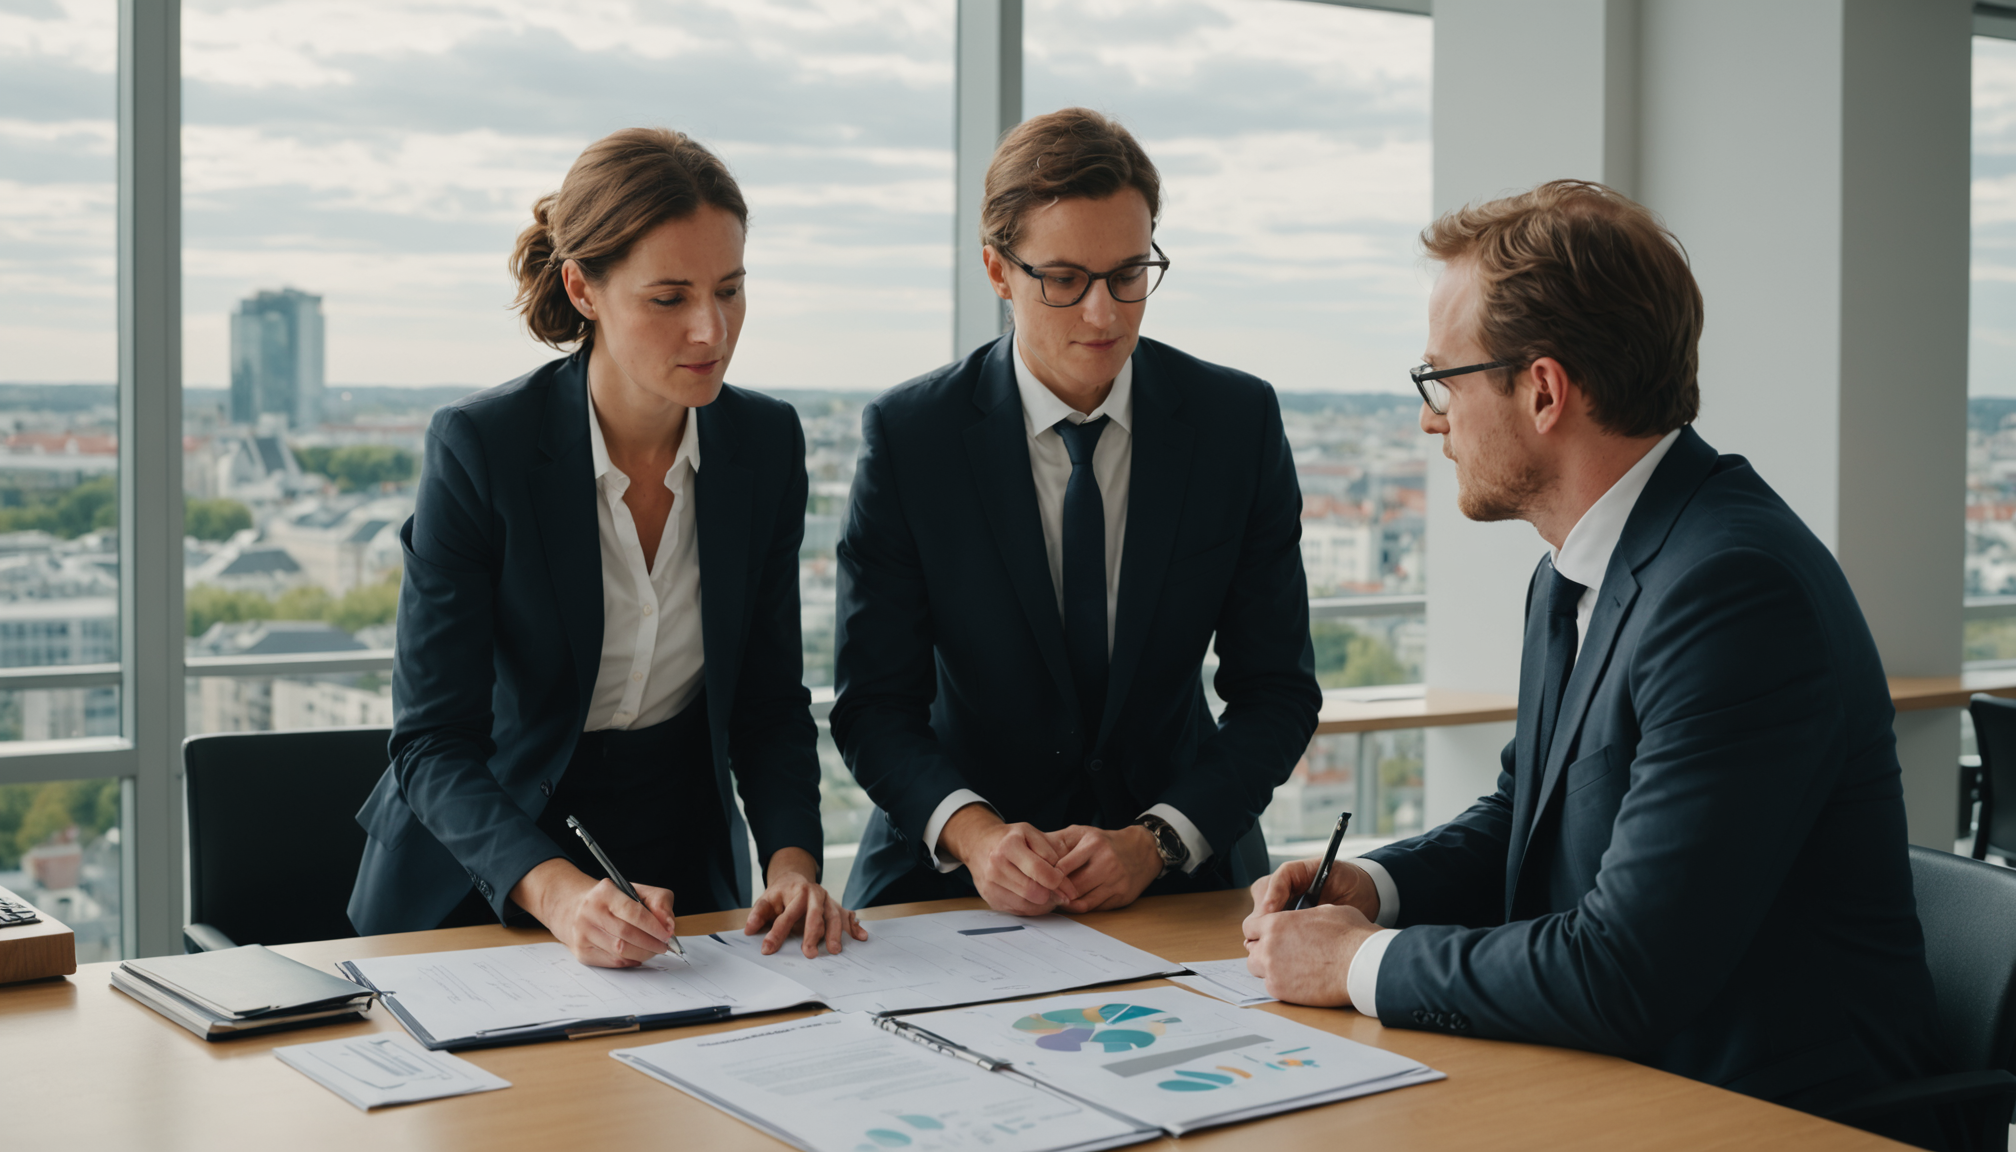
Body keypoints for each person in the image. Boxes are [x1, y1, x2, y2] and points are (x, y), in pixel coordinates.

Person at [1242, 180, 1947, 1138]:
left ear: (1543, 390)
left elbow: (1626, 969)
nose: (1431, 419)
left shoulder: (1733, 591)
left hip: (1774, 1115)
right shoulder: (1578, 568)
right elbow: (1524, 815)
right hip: (1633, 1084)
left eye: (1442, 380)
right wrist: (1375, 888)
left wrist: (1354, 962)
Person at [347, 128, 866, 965]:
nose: (711, 330)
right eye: (669, 298)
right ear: (582, 288)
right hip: (477, 876)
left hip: (679, 880)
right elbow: (432, 743)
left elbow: (767, 701)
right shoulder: (483, 448)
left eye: (730, 290)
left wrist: (793, 863)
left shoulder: (765, 443)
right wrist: (559, 895)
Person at [830, 107, 1321, 914]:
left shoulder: (1236, 425)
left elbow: (1277, 691)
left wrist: (1158, 840)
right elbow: (873, 704)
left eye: (1129, 274)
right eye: (1064, 280)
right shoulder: (912, 438)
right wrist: (976, 835)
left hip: (1181, 876)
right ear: (998, 271)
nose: (1105, 314)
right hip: (950, 883)